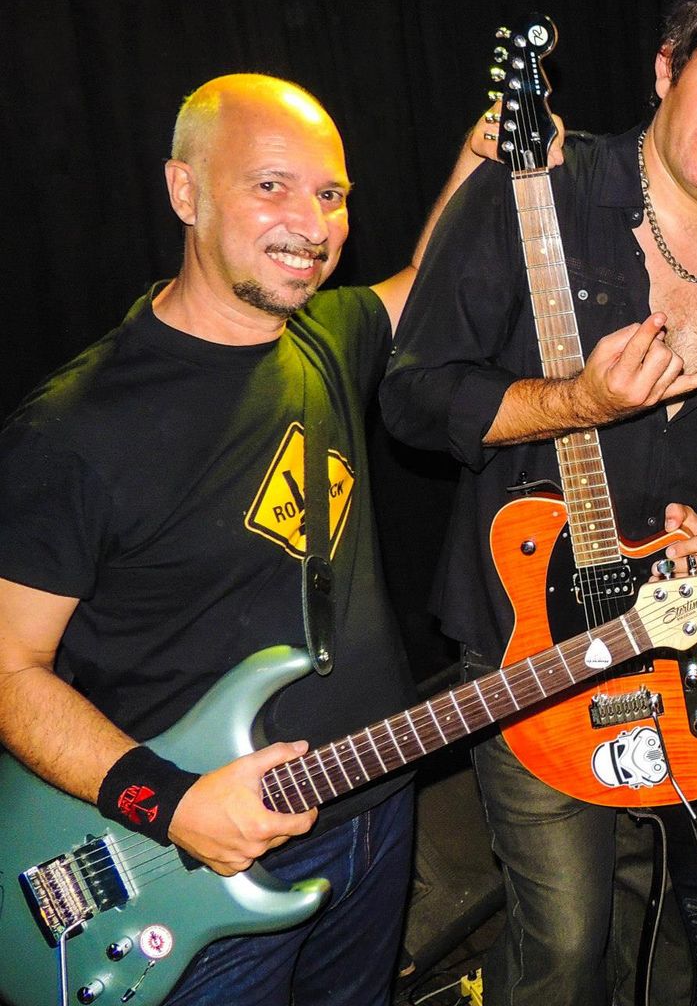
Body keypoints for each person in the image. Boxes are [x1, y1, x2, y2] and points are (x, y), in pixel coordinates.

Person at [380, 0, 697, 1006]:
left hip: (678, 646)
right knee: (567, 943)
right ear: (667, 69)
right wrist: (574, 402)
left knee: (666, 909)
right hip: (528, 640)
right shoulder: (538, 193)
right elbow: (414, 394)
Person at [0, 73, 477, 1004]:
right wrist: (170, 804)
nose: (312, 223)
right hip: (190, 870)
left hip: (374, 810)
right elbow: (10, 670)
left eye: (331, 194)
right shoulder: (72, 432)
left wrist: (480, 157)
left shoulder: (326, 335)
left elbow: (427, 283)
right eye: (270, 185)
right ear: (185, 191)